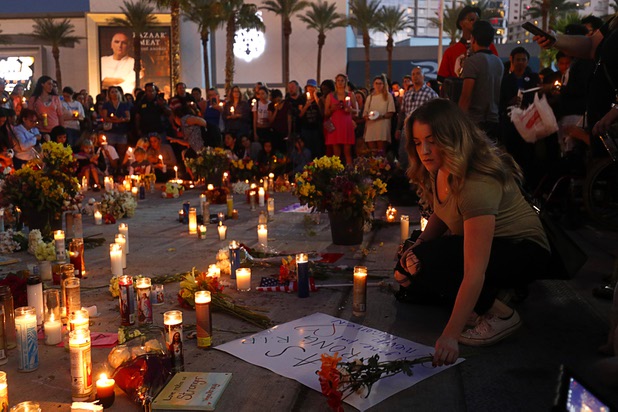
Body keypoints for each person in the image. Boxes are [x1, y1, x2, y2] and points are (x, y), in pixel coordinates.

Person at [396, 99, 550, 366]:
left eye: (432, 140)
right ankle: (489, 295)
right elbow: (442, 215)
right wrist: (415, 246)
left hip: (522, 251)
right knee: (411, 268)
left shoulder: (476, 180)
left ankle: (501, 313)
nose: (425, 150)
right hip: (484, 246)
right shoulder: (438, 167)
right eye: (418, 142)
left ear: (452, 136)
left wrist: (449, 336)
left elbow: (474, 270)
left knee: (427, 263)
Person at [458, 20, 504, 142]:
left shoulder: (472, 62)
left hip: (476, 121)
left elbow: (466, 96)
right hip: (494, 120)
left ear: (473, 38)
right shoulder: (498, 62)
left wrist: (458, 123)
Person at [437, 6, 499, 83]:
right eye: (472, 20)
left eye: (478, 20)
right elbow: (442, 80)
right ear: (461, 23)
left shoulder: (489, 47)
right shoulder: (450, 52)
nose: (475, 23)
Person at [396, 67, 439, 170]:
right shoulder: (408, 94)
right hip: (407, 129)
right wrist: (398, 128)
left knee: (420, 156)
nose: (415, 76)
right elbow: (402, 112)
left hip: (422, 131)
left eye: (418, 74)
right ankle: (405, 180)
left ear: (423, 76)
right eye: (413, 74)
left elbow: (436, 113)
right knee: (404, 155)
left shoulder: (430, 93)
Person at [324, 74, 357, 165]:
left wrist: (350, 109)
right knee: (336, 154)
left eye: (342, 80)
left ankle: (350, 172)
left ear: (345, 82)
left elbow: (356, 111)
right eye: (338, 80)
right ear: (336, 82)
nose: (340, 82)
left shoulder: (351, 95)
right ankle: (337, 173)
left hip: (346, 123)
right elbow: (326, 113)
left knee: (347, 152)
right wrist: (332, 109)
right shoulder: (330, 96)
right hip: (335, 124)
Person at [363, 74, 396, 154]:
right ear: (373, 84)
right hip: (371, 126)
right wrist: (368, 117)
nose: (378, 85)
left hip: (382, 126)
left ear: (383, 85)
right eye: (376, 83)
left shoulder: (388, 96)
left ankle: (382, 166)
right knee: (372, 152)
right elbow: (365, 113)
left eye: (380, 83)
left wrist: (381, 116)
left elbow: (391, 112)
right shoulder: (370, 97)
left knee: (381, 151)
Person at [101, 86, 131, 164]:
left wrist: (122, 120)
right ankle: (112, 166)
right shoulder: (107, 105)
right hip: (111, 130)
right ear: (109, 94)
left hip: (122, 130)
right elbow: (104, 117)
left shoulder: (124, 104)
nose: (114, 94)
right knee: (111, 150)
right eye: (112, 92)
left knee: (122, 151)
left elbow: (128, 117)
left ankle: (121, 167)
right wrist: (114, 121)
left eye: (116, 91)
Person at [299, 79, 324, 159]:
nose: (311, 89)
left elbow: (322, 111)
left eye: (312, 87)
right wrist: (307, 105)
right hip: (306, 127)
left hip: (317, 127)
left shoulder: (319, 97)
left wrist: (316, 97)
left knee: (317, 148)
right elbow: (300, 114)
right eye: (309, 87)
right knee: (308, 147)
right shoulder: (302, 98)